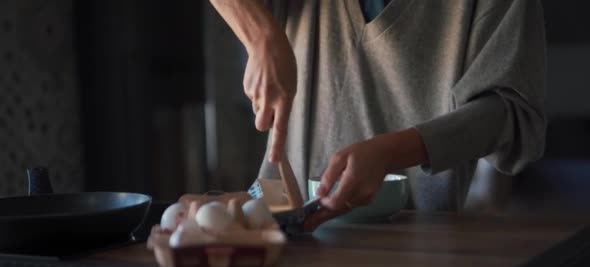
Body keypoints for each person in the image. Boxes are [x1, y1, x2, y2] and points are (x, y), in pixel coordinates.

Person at [209, 0, 547, 230]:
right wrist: (262, 37)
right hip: (280, 242)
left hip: (415, 253)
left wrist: (395, 152)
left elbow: (511, 113)